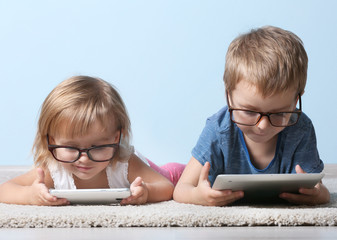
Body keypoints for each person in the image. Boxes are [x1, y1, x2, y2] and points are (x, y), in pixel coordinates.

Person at [173, 26, 330, 206]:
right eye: (249, 111)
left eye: (279, 113)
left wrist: (319, 195)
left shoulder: (301, 129)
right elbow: (181, 189)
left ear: (295, 101)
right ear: (229, 96)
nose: (262, 125)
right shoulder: (218, 129)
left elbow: (318, 188)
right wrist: (198, 196)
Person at [0, 76, 184, 206]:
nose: (84, 159)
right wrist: (29, 195)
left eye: (97, 147)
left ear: (116, 138)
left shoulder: (124, 162)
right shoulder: (54, 170)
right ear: (51, 140)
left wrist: (147, 192)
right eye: (71, 147)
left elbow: (166, 187)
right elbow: (5, 189)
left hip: (170, 173)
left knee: (186, 178)